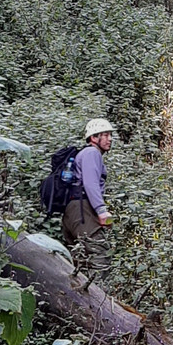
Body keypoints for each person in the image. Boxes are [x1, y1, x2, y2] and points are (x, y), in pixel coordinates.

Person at [61, 118, 115, 278]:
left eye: (110, 135)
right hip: (82, 210)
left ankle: (76, 300)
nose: (110, 139)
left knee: (81, 261)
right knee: (100, 256)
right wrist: (102, 211)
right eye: (105, 135)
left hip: (72, 212)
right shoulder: (92, 153)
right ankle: (98, 301)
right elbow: (91, 183)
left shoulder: (84, 153)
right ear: (93, 137)